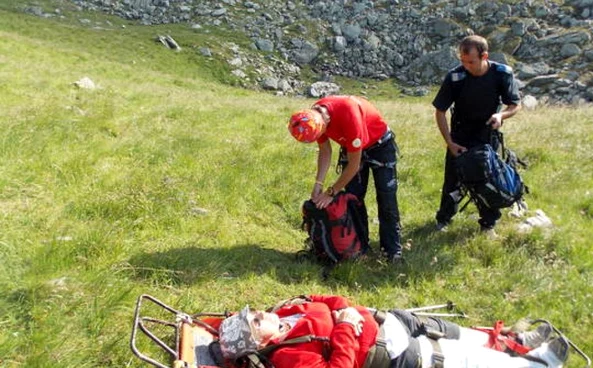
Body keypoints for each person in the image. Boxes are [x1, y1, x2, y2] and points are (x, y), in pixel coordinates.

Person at [218, 294, 571, 368]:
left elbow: (320, 297)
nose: (261, 312)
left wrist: (341, 308)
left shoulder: (286, 312)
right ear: (259, 341)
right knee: (459, 358)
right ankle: (537, 365)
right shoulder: (287, 357)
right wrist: (343, 328)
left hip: (392, 320)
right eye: (255, 320)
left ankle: (512, 343)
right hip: (395, 353)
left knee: (456, 332)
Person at [288, 96, 402, 262]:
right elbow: (325, 150)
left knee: (386, 199)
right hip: (352, 147)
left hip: (380, 146)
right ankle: (360, 248)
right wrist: (318, 184)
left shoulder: (349, 113)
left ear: (324, 122)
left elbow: (354, 166)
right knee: (354, 198)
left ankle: (392, 251)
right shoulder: (314, 118)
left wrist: (331, 192)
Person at [432, 35, 522, 236]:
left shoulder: (502, 74)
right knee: (452, 181)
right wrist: (450, 142)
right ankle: (443, 220)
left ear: (485, 56)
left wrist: (501, 115)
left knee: (489, 179)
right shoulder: (455, 77)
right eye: (462, 61)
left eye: (470, 62)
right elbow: (440, 112)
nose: (466, 66)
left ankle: (488, 225)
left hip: (487, 137)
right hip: (460, 136)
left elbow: (515, 104)